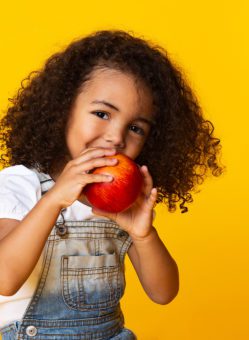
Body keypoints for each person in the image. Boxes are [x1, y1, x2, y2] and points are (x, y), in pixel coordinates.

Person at [0, 30, 223, 339]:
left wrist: (143, 235)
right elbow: (4, 278)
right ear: (62, 110)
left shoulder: (120, 204)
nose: (117, 138)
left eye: (135, 128)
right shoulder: (22, 184)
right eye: (102, 113)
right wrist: (53, 201)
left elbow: (164, 292)